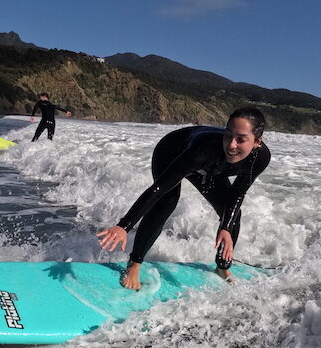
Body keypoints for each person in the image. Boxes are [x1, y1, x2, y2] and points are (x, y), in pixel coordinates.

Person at [97, 108, 270, 290]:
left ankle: (222, 267)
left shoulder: (260, 158)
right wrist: (124, 225)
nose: (231, 145)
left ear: (257, 142)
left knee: (233, 214)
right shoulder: (205, 149)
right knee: (167, 201)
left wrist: (226, 227)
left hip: (211, 166)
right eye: (227, 135)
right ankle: (134, 263)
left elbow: (237, 193)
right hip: (172, 152)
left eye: (241, 139)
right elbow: (157, 190)